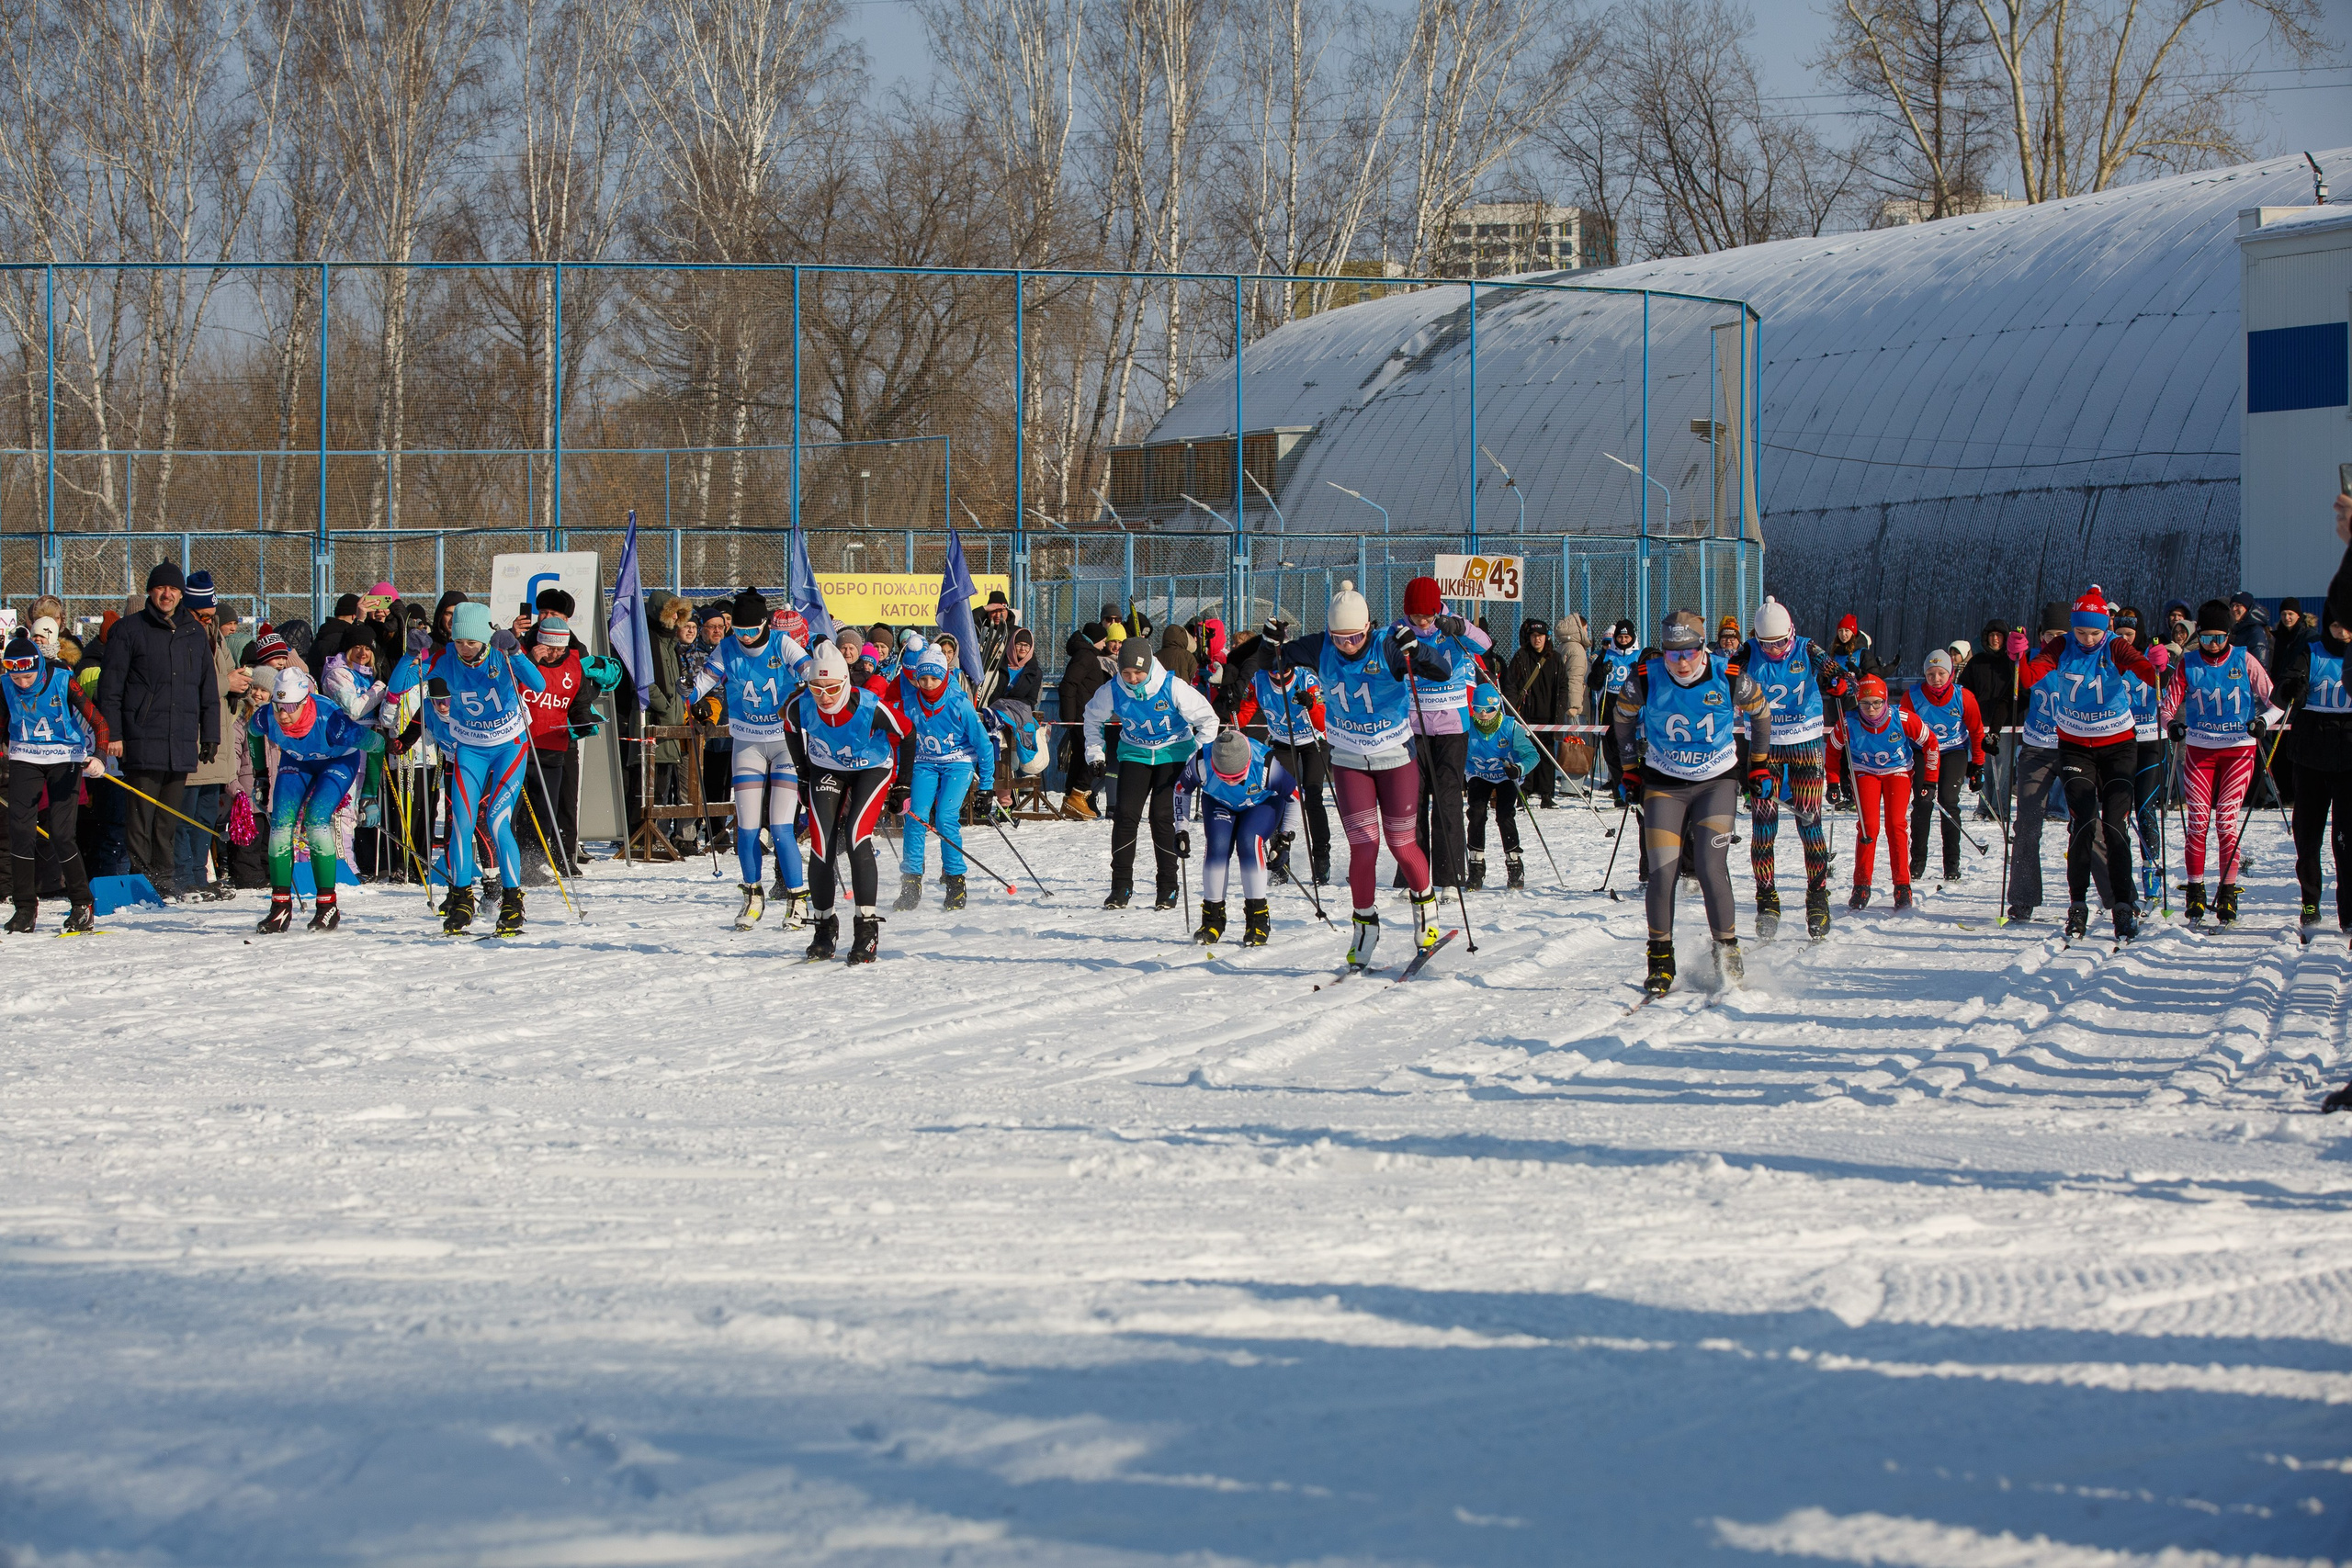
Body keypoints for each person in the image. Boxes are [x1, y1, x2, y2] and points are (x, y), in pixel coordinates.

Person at [1270, 581, 1453, 965]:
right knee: (1364, 847)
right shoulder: (1322, 646)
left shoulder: (1388, 643)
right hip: (1349, 759)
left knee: (1401, 844)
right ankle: (1365, 927)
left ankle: (1426, 911)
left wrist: (1416, 649)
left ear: (1368, 627)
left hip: (1394, 756)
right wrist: (1269, 643)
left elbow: (1441, 669)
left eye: (1355, 636)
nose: (1348, 645)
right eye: (1340, 638)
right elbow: (1275, 662)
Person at [1613, 609, 1773, 996]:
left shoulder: (1728, 675)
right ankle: (1660, 959)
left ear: (1703, 648)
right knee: (1663, 872)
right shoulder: (1647, 677)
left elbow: (1762, 713)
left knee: (1708, 866)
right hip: (1665, 782)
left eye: (1688, 653)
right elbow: (1621, 719)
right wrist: (1630, 768)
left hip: (1715, 782)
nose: (1681, 662)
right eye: (1672, 654)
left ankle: (1727, 951)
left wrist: (1759, 765)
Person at [386, 601, 546, 935]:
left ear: (485, 641)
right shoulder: (446, 660)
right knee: (461, 821)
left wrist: (516, 651)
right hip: (470, 748)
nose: (465, 649)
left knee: (497, 820)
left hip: (508, 747)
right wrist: (408, 655)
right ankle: (461, 898)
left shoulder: (500, 655)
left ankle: (512, 900)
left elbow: (539, 685)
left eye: (472, 643)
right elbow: (398, 687)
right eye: (459, 642)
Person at [2018, 586, 2167, 942]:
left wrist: (2159, 665)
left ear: (2106, 628)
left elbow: (2147, 673)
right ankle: (2078, 905)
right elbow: (2027, 680)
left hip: (2118, 746)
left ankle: (2122, 907)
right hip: (2074, 747)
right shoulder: (2061, 645)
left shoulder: (2115, 644)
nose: (2087, 639)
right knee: (2082, 825)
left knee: (2115, 826)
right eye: (2081, 632)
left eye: (2094, 632)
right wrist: (2019, 658)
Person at [95, 562, 220, 901]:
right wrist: (114, 735)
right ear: (151, 591)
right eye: (161, 589)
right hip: (140, 737)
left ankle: (164, 882)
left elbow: (207, 688)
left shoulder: (194, 633)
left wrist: (211, 734)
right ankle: (141, 881)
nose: (167, 595)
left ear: (181, 594)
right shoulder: (128, 630)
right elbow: (110, 689)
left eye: (174, 590)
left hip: (179, 740)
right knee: (140, 818)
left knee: (168, 820)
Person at [782, 638, 909, 964]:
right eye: (816, 688)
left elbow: (908, 733)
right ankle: (824, 927)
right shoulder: (802, 705)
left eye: (832, 688)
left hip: (871, 768)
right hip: (827, 768)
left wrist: (903, 787)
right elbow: (790, 726)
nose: (824, 697)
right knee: (821, 844)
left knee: (855, 836)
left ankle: (866, 929)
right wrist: (802, 772)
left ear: (846, 683)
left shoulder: (868, 706)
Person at [689, 592, 812, 926]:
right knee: (746, 828)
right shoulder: (727, 647)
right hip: (747, 742)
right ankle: (752, 895)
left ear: (764, 624)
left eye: (750, 631)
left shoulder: (783, 644)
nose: (743, 637)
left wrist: (813, 679)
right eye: (738, 630)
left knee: (782, 827)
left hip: (784, 741)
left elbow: (811, 671)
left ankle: (798, 899)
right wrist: (690, 694)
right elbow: (703, 681)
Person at [1728, 597, 1845, 942]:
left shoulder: (1807, 649)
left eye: (1781, 642)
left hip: (1806, 741)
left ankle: (1817, 897)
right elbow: (1721, 680)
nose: (1776, 649)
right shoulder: (1747, 653)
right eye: (1769, 644)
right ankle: (1767, 901)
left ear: (1792, 633)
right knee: (1764, 826)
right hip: (1765, 746)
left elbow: (1838, 674)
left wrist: (1841, 684)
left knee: (1809, 820)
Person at [1084, 634, 1219, 911]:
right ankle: (1120, 886)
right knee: (1124, 816)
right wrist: (1095, 753)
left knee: (1161, 817)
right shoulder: (1113, 689)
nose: (1132, 678)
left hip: (1173, 754)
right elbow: (1092, 718)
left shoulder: (1172, 687)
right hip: (1135, 753)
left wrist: (1200, 757)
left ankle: (1168, 887)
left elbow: (1208, 719)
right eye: (1126, 672)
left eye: (1138, 672)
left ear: (1149, 668)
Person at [2163, 598, 2276, 926]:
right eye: (2208, 637)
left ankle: (2227, 892)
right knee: (2198, 822)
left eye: (2220, 638)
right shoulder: (2189, 662)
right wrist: (2172, 725)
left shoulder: (2245, 660)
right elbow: (2167, 706)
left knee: (2226, 821)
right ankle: (2195, 890)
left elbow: (2275, 702)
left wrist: (2262, 722)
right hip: (2200, 751)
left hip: (2239, 750)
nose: (2213, 645)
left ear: (2229, 636)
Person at [248, 666, 384, 932]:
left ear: (304, 702)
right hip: (297, 761)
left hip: (338, 760)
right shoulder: (266, 717)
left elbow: (377, 745)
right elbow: (254, 736)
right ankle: (280, 908)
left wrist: (369, 794)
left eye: (289, 708)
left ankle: (327, 907)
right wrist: (261, 776)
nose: (282, 716)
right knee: (281, 825)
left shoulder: (332, 722)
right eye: (278, 706)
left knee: (316, 820)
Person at [1, 629, 103, 933]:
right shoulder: (6, 683)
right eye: (17, 678)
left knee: (61, 834)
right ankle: (24, 908)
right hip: (25, 756)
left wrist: (98, 755)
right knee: (20, 831)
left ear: (38, 669)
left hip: (64, 757)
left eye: (28, 678)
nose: (22, 683)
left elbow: (98, 720)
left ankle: (82, 904)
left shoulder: (61, 678)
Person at [1397, 575, 1494, 890]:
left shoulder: (1451, 626)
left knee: (1447, 801)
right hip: (1413, 726)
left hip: (1452, 725)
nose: (1422, 621)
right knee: (1411, 802)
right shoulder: (1398, 631)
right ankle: (1413, 875)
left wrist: (1460, 627)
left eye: (1426, 614)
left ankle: (1449, 875)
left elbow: (1485, 644)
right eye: (1415, 616)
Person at [893, 641, 997, 912]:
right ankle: (911, 882)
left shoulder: (959, 704)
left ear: (944, 676)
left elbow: (984, 746)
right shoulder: (909, 704)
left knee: (945, 817)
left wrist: (986, 786)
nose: (928, 684)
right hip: (924, 763)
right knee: (915, 816)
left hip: (958, 763)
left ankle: (955, 881)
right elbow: (897, 740)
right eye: (923, 678)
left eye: (934, 678)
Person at [2273, 608, 2352, 940]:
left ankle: (2348, 912)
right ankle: (2310, 903)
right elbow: (2286, 687)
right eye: (2336, 624)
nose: (2342, 631)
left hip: (2349, 757)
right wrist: (2293, 688)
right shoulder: (2312, 651)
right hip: (2310, 756)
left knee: (2346, 841)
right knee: (2308, 838)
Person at [1828, 674, 1938, 911]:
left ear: (1885, 700)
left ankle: (1902, 886)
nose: (1871, 709)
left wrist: (1930, 780)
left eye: (1877, 702)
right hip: (1865, 771)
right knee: (1868, 827)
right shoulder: (1848, 722)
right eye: (1865, 703)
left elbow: (1931, 743)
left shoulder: (1902, 718)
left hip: (1897, 771)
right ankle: (1861, 885)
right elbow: (1833, 750)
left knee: (1896, 825)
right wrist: (1833, 782)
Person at [1232, 640, 1329, 885]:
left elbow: (1322, 722)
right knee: (1279, 797)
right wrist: (1231, 708)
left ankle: (1321, 857)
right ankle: (1279, 859)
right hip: (1282, 742)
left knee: (1313, 795)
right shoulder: (1259, 680)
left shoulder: (1307, 680)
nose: (1279, 675)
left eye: (1285, 669)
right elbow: (1243, 713)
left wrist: (1311, 704)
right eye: (1273, 670)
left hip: (1311, 741)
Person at [182, 570, 253, 900]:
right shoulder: (185, 633)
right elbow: (190, 682)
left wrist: (240, 682)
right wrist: (228, 683)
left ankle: (199, 872)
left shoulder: (213, 633)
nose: (208, 621)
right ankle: (185, 875)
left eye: (211, 615)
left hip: (219, 733)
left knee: (206, 812)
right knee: (186, 813)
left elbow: (223, 671)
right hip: (195, 734)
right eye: (204, 615)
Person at [519, 611, 596, 883]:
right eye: (548, 648)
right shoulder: (523, 659)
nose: (553, 654)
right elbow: (508, 688)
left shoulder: (573, 665)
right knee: (515, 809)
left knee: (544, 811)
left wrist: (584, 722)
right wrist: (531, 660)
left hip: (553, 748)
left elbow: (579, 703)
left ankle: (534, 861)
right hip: (519, 747)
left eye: (558, 649)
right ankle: (510, 861)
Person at [2003, 605, 2069, 924]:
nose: (2055, 640)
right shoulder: (2037, 662)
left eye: (2061, 635)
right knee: (2027, 825)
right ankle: (2022, 897)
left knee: (2089, 824)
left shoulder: (2080, 659)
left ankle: (2107, 897)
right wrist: (2016, 658)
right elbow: (2017, 687)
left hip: (2075, 749)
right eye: (2049, 635)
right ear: (2041, 636)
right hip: (2037, 748)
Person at [1901, 649, 1986, 886]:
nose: (1936, 679)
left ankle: (1952, 864)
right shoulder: (1913, 696)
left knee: (1949, 802)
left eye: (1941, 673)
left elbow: (1977, 732)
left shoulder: (1963, 697)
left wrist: (1978, 764)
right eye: (1930, 674)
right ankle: (1917, 862)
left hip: (1953, 752)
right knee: (1923, 802)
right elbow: (1903, 730)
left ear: (1949, 674)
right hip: (1923, 751)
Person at [2111, 609, 2171, 904]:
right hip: (2119, 741)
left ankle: (2151, 866)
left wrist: (2164, 666)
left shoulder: (2151, 654)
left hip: (2150, 741)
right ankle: (2120, 871)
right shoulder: (2109, 655)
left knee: (2145, 806)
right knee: (2118, 810)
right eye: (2119, 634)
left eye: (2129, 635)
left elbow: (2175, 683)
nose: (2123, 640)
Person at [1464, 683, 1539, 888]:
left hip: (1506, 776)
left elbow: (1533, 755)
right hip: (1479, 774)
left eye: (1489, 709)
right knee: (1477, 813)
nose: (1484, 714)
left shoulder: (1510, 727)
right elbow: (1457, 753)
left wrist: (1520, 768)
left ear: (1497, 707)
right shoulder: (1467, 726)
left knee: (1505, 814)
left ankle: (1514, 864)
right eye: (1479, 709)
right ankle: (1476, 866)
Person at [1504, 619, 1568, 807]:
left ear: (1546, 637)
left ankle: (1547, 794)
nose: (1537, 639)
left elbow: (1563, 686)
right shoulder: (1521, 657)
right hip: (1526, 716)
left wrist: (1562, 708)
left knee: (1547, 754)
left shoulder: (1555, 659)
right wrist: (1512, 711)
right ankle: (1524, 791)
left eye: (1540, 636)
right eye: (1533, 636)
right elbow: (1511, 685)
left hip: (1549, 716)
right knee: (1525, 752)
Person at [1958, 617, 2017, 820]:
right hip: (1981, 722)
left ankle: (2001, 809)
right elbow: (1964, 689)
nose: (1995, 639)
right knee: (1983, 766)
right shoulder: (1977, 662)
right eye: (1991, 635)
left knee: (2002, 767)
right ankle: (1984, 808)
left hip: (2006, 723)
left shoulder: (2012, 662)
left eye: (1999, 635)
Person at [1057, 623, 1111, 819]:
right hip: (1083, 716)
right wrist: (1070, 719)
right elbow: (1068, 685)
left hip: (1084, 714)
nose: (1105, 643)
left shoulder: (1087, 655)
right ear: (1095, 638)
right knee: (1095, 754)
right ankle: (1079, 793)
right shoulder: (1086, 656)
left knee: (1080, 756)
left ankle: (1070, 798)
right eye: (1103, 639)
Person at [1595, 619, 1640, 804]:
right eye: (1620, 637)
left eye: (1626, 636)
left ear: (1632, 637)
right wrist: (1601, 672)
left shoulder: (1638, 655)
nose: (1623, 640)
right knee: (1611, 749)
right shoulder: (1606, 655)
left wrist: (1638, 672)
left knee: (1630, 747)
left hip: (1631, 703)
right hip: (1609, 702)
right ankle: (1618, 790)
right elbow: (1593, 682)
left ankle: (1634, 787)